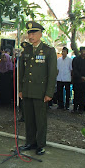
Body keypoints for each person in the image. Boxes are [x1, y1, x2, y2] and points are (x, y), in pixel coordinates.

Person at [19, 21, 57, 155]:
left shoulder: (48, 51)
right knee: (29, 119)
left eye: (34, 33)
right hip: (27, 90)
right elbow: (22, 72)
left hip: (41, 92)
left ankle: (40, 144)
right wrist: (20, 89)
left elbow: (52, 74)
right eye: (29, 33)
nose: (31, 36)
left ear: (40, 34)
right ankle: (30, 142)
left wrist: (49, 92)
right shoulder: (27, 50)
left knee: (40, 120)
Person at [72, 46, 85, 114]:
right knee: (76, 94)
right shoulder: (76, 59)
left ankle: (82, 108)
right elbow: (75, 69)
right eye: (83, 51)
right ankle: (75, 108)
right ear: (80, 51)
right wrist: (80, 77)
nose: (84, 52)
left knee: (83, 95)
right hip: (77, 80)